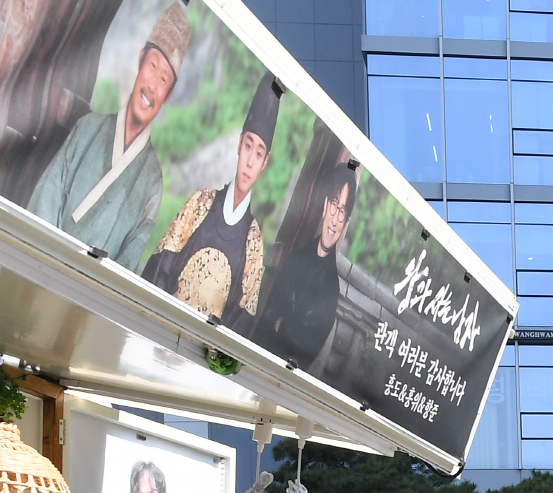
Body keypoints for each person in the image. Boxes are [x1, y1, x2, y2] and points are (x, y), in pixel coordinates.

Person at [27, 4, 190, 270]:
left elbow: (129, 258)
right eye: (152, 66)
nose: (152, 85)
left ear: (168, 95)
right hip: (42, 260)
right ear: (139, 61)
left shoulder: (151, 179)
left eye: (163, 79)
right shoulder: (88, 128)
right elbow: (49, 193)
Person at [141, 75, 277, 329]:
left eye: (259, 154)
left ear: (264, 163)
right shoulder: (200, 203)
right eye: (248, 146)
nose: (250, 161)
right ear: (239, 144)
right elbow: (159, 268)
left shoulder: (254, 242)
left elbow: (240, 324)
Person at [254, 161, 354, 370]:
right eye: (334, 205)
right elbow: (267, 319)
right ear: (326, 205)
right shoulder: (295, 260)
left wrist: (284, 325)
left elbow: (305, 352)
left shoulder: (331, 289)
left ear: (346, 222)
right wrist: (291, 327)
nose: (335, 219)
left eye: (342, 211)